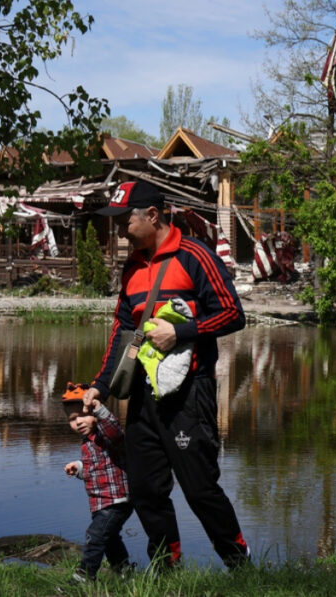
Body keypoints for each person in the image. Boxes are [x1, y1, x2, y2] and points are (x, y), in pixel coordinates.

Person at [83, 180, 251, 570]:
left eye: (126, 219)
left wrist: (181, 331)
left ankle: (239, 563)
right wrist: (100, 387)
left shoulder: (195, 256)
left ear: (152, 216)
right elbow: (121, 336)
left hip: (190, 394)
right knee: (145, 489)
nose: (121, 227)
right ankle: (165, 566)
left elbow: (232, 314)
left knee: (200, 488)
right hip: (142, 397)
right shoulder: (131, 268)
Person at [61, 382, 132, 582]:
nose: (79, 422)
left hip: (117, 500)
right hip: (101, 502)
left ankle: (84, 576)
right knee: (108, 538)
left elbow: (115, 431)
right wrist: (79, 468)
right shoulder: (87, 443)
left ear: (95, 412)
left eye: (84, 415)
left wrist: (99, 409)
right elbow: (95, 470)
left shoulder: (105, 434)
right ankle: (124, 572)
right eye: (73, 419)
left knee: (95, 536)